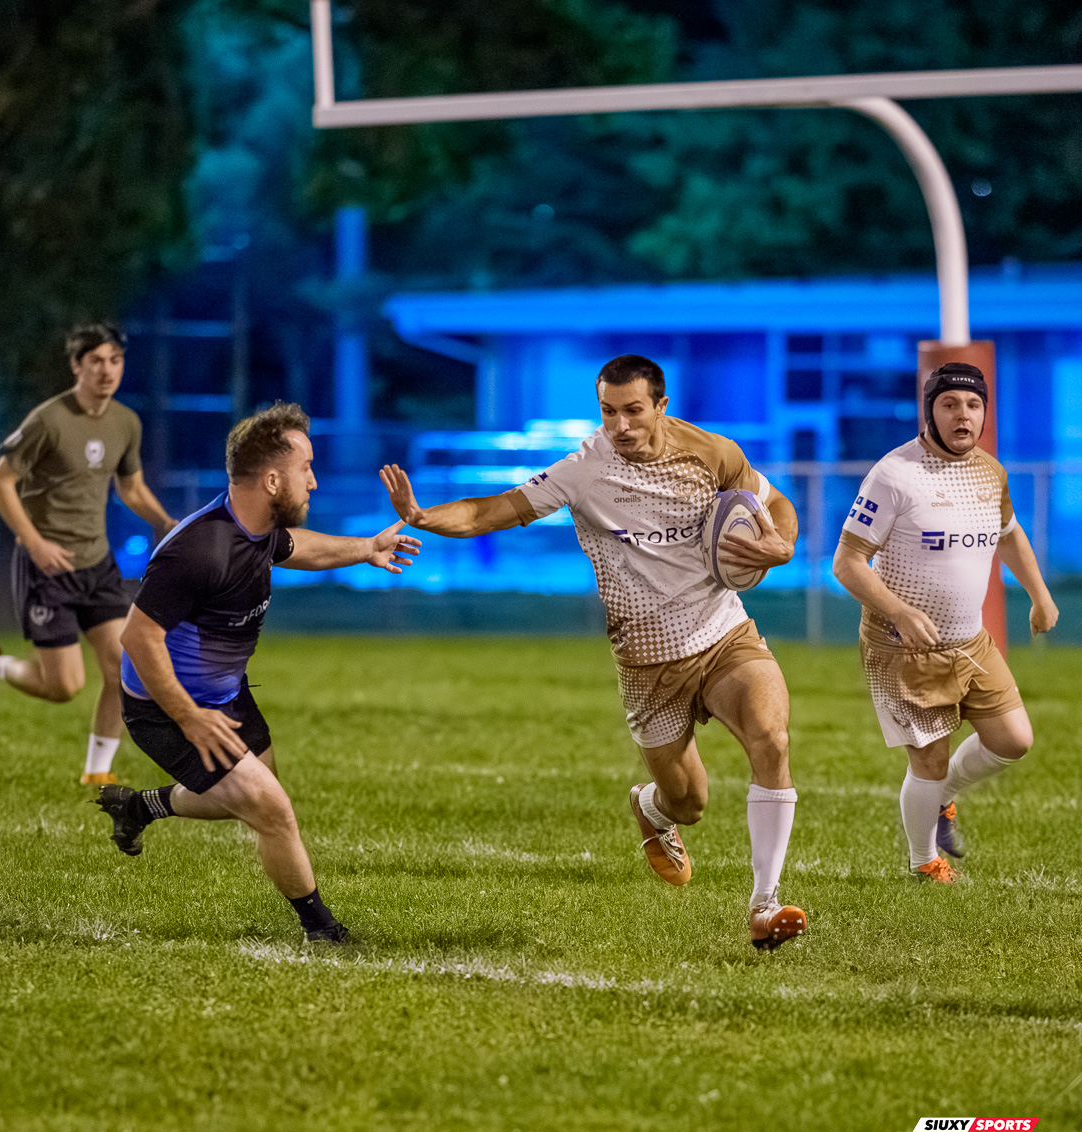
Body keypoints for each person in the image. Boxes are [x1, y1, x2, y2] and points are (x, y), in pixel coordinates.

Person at [381, 354, 809, 950]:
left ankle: (764, 904)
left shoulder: (712, 452)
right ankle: (652, 809)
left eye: (633, 411)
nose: (620, 425)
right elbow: (496, 509)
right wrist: (424, 516)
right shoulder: (585, 468)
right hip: (647, 660)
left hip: (723, 634)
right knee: (690, 803)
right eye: (608, 411)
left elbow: (776, 502)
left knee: (773, 738)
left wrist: (780, 545)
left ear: (661, 405)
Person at [95, 403, 420, 944]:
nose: (313, 480)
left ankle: (140, 806)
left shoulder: (261, 527)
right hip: (166, 708)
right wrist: (189, 717)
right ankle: (324, 932)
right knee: (271, 809)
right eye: (305, 468)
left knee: (250, 797)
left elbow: (297, 548)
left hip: (225, 697)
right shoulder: (198, 549)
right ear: (271, 479)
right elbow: (137, 638)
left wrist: (365, 549)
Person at [831, 361, 1059, 883]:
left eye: (974, 404)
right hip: (902, 648)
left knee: (1014, 741)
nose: (963, 415)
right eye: (950, 404)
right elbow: (846, 562)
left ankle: (943, 800)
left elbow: (1009, 534)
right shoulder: (893, 474)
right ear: (929, 410)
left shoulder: (989, 471)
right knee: (928, 762)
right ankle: (923, 860)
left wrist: (1039, 595)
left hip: (970, 642)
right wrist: (900, 610)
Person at [0, 323, 175, 785]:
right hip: (47, 568)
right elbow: (0, 482)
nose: (106, 370)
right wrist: (34, 543)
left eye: (115, 360)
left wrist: (166, 523)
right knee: (64, 687)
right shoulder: (48, 420)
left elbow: (131, 488)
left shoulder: (125, 423)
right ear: (77, 366)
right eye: (95, 361)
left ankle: (97, 772)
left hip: (97, 565)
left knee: (124, 668)